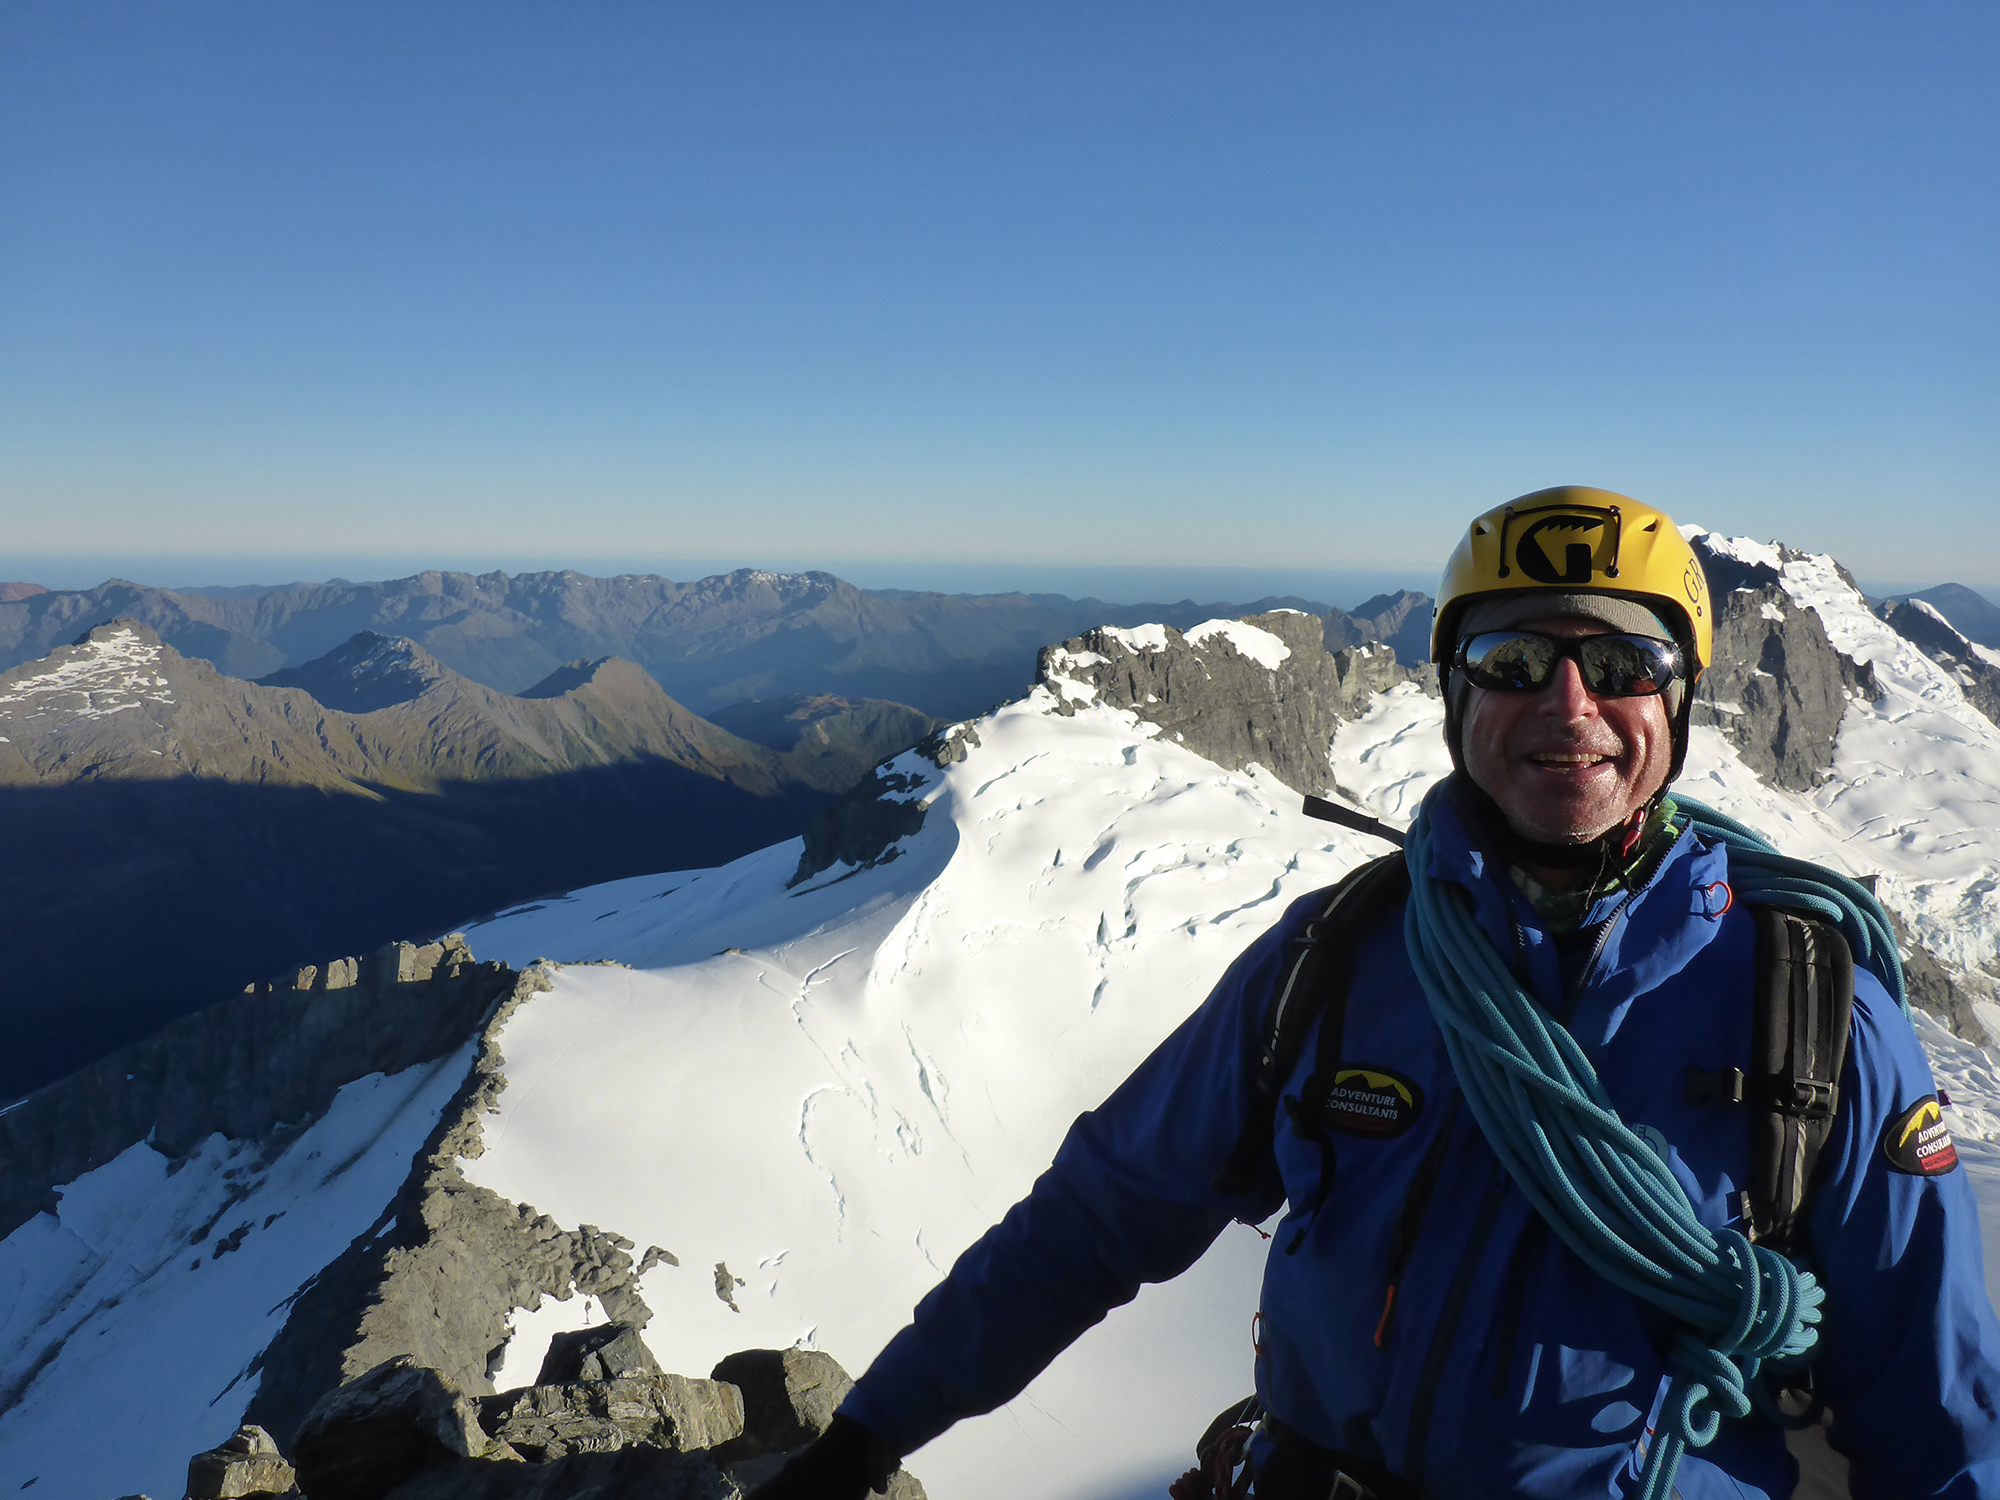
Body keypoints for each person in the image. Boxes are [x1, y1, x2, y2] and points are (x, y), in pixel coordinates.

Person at [752, 487, 2000, 1499]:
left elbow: (1929, 1406)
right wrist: (867, 1435)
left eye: (1620, 660)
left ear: (1675, 699)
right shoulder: (1336, 957)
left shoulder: (1812, 1013)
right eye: (1512, 659)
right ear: (1454, 697)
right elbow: (1101, 1214)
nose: (1567, 708)